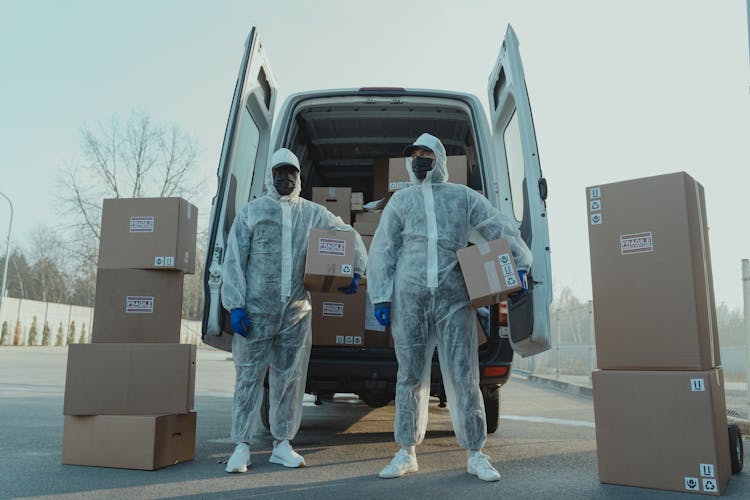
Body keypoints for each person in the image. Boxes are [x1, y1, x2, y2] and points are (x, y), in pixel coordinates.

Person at [367, 133, 532, 482]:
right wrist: (381, 295)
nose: (419, 160)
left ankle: (476, 453)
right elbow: (383, 249)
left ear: (439, 159)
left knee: (463, 375)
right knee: (409, 375)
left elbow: (496, 226)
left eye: (426, 153)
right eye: (414, 155)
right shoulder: (400, 202)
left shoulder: (463, 197)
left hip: (454, 298)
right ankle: (406, 452)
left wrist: (519, 264)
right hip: (409, 298)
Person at [221, 147, 367, 473]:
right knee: (248, 378)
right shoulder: (252, 213)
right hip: (255, 313)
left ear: (299, 177)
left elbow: (346, 232)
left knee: (290, 379)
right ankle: (241, 446)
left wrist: (353, 268)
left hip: (295, 313)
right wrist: (235, 305)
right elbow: (234, 260)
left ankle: (282, 444)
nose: (285, 178)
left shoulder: (313, 213)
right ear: (269, 176)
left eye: (291, 173)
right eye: (278, 173)